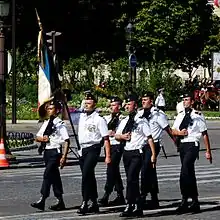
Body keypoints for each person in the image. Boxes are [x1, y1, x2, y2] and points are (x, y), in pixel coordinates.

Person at [115, 94, 156, 217]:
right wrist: (122, 136)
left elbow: (149, 138)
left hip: (137, 153)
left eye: (129, 104)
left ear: (135, 105)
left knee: (132, 178)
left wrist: (153, 154)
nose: (127, 106)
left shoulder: (141, 120)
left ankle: (131, 204)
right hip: (126, 152)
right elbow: (116, 135)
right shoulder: (124, 121)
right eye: (126, 104)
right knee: (130, 179)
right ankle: (137, 204)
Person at [172, 93, 212, 214]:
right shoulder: (180, 115)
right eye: (183, 100)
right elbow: (173, 130)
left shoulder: (197, 115)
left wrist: (208, 151)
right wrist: (179, 134)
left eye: (187, 100)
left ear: (192, 102)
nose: (185, 102)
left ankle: (185, 200)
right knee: (189, 173)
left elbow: (204, 133)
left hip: (192, 144)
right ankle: (194, 201)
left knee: (184, 171)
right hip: (183, 145)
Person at [31, 99, 70, 211]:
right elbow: (37, 137)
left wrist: (64, 156)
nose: (48, 110)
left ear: (57, 110)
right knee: (54, 176)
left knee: (47, 174)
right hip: (47, 151)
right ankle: (60, 200)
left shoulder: (59, 124)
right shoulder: (46, 123)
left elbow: (66, 140)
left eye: (51, 108)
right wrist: (42, 139)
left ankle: (42, 198)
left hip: (55, 151)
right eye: (48, 108)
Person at [138, 92, 174, 209]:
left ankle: (143, 196)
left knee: (145, 170)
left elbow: (168, 130)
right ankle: (154, 198)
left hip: (154, 144)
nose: (143, 101)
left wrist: (177, 143)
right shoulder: (140, 113)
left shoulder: (158, 114)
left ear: (152, 101)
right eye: (142, 99)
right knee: (150, 171)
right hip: (142, 145)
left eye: (146, 99)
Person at [76, 92, 111, 215]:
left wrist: (108, 156)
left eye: (89, 103)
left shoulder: (99, 119)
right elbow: (66, 115)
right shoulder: (82, 117)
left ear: (94, 104)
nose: (86, 104)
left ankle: (85, 202)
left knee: (85, 175)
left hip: (93, 148)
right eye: (85, 102)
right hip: (82, 149)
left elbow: (106, 139)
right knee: (89, 176)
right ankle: (94, 202)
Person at [98, 96, 125, 206]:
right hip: (108, 145)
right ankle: (120, 195)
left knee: (111, 169)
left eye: (115, 105)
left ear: (119, 106)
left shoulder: (123, 118)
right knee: (114, 170)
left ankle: (106, 194)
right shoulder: (106, 118)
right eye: (111, 105)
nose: (112, 107)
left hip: (117, 145)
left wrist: (115, 134)